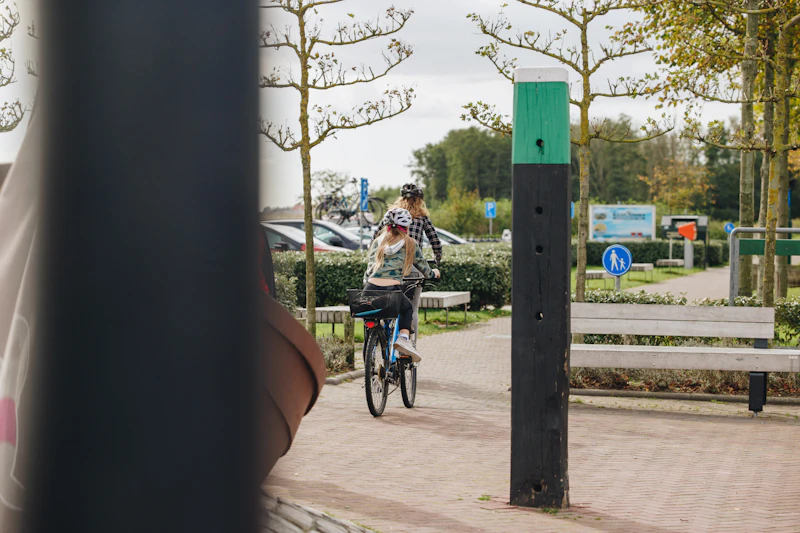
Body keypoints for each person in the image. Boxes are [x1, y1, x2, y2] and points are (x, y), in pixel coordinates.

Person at [364, 208, 440, 362]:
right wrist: (434, 274)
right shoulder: (410, 243)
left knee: (370, 318)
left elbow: (369, 269)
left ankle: (369, 356)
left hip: (370, 289)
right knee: (407, 308)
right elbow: (424, 268)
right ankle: (403, 339)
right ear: (406, 227)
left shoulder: (378, 242)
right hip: (392, 291)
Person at [372, 184, 441, 336]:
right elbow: (435, 242)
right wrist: (437, 262)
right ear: (419, 201)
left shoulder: (391, 216)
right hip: (413, 268)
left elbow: (375, 237)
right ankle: (409, 345)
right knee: (411, 307)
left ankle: (382, 335)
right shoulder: (422, 218)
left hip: (385, 268)